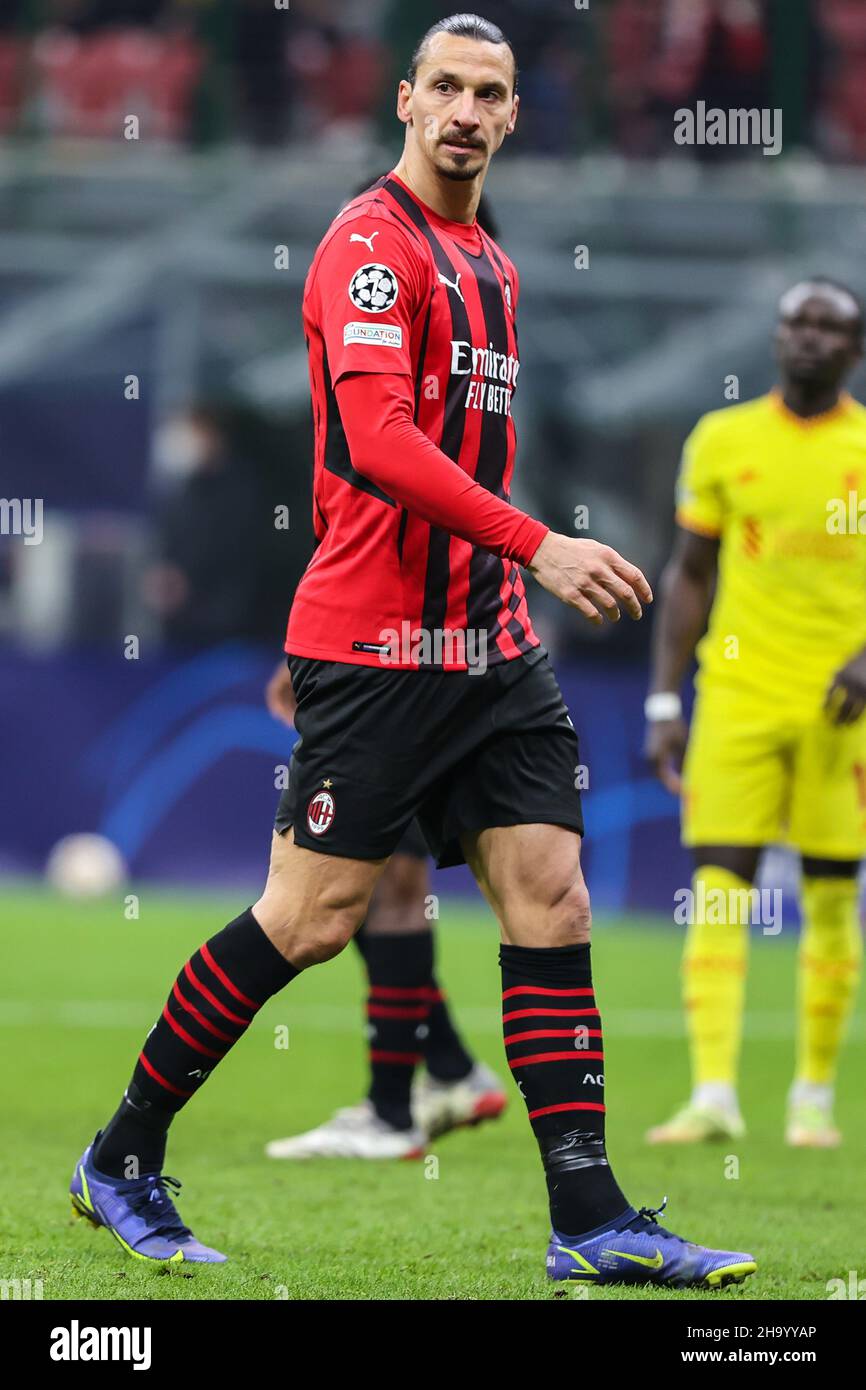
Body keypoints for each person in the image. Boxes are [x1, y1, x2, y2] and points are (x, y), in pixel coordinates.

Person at [70, 12, 755, 1289]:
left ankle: (590, 1217)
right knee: (310, 918)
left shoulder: (489, 262)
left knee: (549, 899)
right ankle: (120, 1154)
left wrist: (514, 575)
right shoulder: (370, 249)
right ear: (403, 99)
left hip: (488, 650)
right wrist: (538, 543)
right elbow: (378, 443)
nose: (464, 109)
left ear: (507, 116)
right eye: (442, 84)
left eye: (488, 92)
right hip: (378, 649)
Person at [645, 277, 866, 1150]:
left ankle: (813, 1094)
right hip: (735, 694)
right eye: (795, 324)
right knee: (720, 891)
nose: (808, 338)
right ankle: (713, 1096)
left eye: (830, 327)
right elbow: (689, 573)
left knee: (831, 896)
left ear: (854, 350)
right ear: (776, 340)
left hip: (843, 707)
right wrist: (667, 698)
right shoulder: (723, 439)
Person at [263, 660, 506, 1158]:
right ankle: (449, 1071)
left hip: (406, 675)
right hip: (417, 669)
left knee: (386, 881)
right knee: (357, 887)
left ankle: (392, 1114)